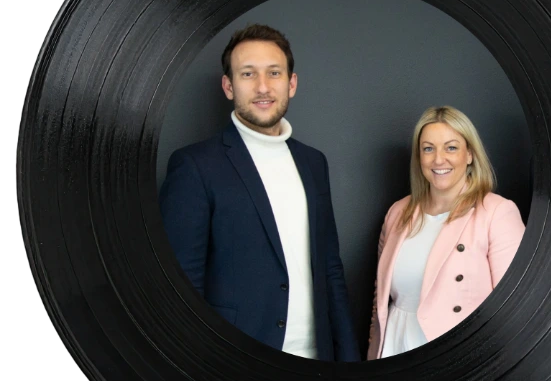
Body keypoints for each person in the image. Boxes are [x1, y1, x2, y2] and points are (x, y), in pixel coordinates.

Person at [159, 23, 360, 362]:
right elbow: (181, 288)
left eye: (274, 73)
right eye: (248, 74)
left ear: (291, 83)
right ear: (228, 86)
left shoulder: (313, 162)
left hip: (318, 364)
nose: (263, 86)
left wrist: (349, 361)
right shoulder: (194, 166)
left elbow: (330, 269)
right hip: (236, 367)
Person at [367, 106, 525, 360]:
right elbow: (380, 297)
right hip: (394, 346)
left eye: (451, 148)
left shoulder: (497, 212)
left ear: (470, 154)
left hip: (457, 354)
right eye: (428, 149)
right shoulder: (398, 212)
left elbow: (514, 304)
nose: (438, 160)